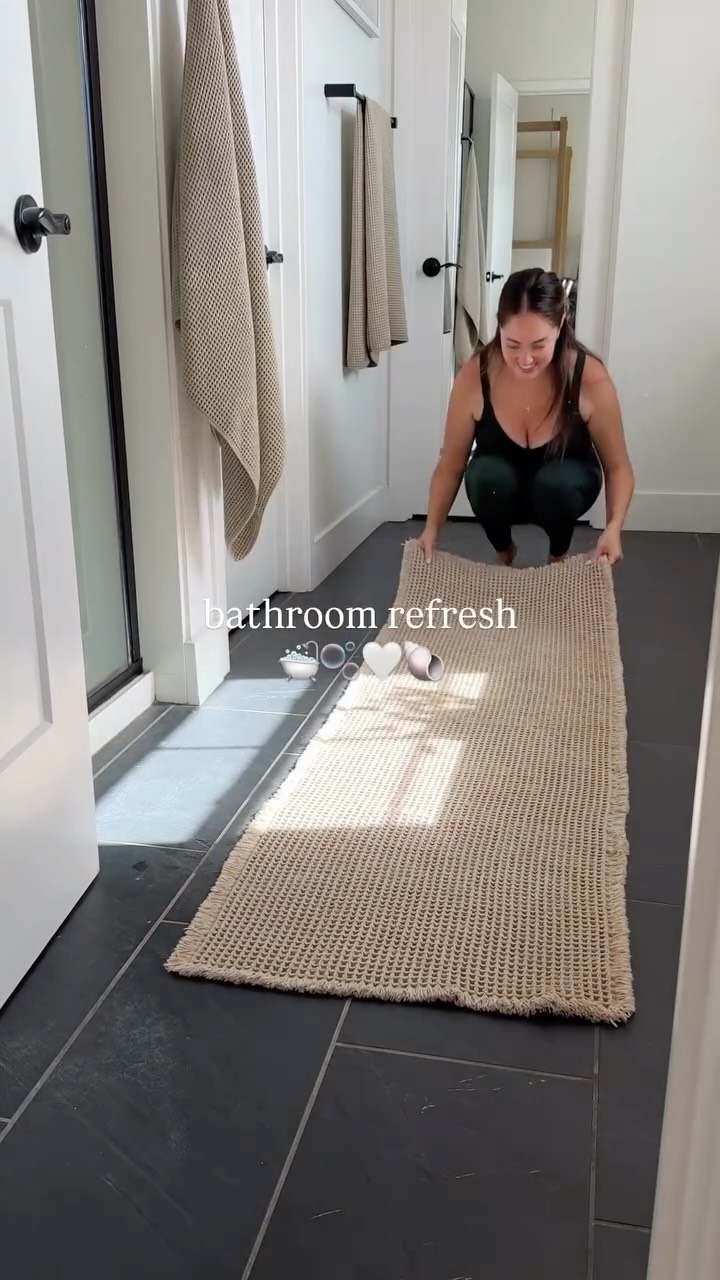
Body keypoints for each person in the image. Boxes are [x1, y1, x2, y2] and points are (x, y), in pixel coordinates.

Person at [418, 268, 634, 567]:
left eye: (539, 345)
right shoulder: (475, 375)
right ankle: (504, 551)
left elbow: (618, 466)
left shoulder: (589, 378)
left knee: (556, 485)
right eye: (513, 345)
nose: (525, 359)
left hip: (564, 485)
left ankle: (557, 556)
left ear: (560, 325)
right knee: (486, 478)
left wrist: (614, 527)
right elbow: (450, 465)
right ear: (500, 328)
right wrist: (431, 530)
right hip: (501, 487)